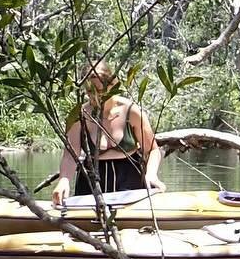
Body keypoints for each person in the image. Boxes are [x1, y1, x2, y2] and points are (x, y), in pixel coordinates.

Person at [51, 62, 165, 205]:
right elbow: (70, 155)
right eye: (89, 91)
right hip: (92, 180)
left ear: (112, 86)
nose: (95, 96)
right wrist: (64, 180)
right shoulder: (79, 115)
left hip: (129, 177)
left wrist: (152, 175)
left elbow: (152, 150)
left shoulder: (131, 111)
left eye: (99, 90)